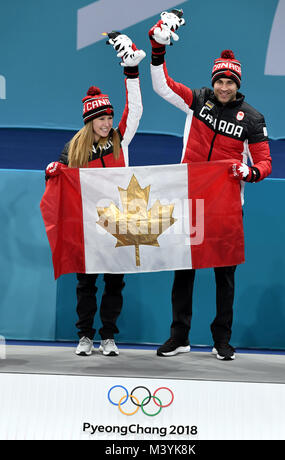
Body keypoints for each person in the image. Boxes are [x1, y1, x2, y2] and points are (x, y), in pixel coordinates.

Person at [149, 10, 272, 360]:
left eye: (229, 82)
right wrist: (158, 51)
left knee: (224, 276)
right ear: (213, 81)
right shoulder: (198, 100)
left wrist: (249, 173)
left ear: (238, 85)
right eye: (219, 80)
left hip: (226, 207)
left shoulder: (252, 118)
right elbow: (162, 85)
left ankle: (222, 340)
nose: (223, 86)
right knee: (183, 270)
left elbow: (264, 163)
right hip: (189, 200)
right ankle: (180, 336)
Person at [45, 33, 145, 357]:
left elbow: (137, 108)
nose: (107, 123)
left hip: (119, 223)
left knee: (115, 284)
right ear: (90, 121)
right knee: (86, 284)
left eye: (109, 117)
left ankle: (109, 337)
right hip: (87, 226)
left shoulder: (120, 139)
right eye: (101, 119)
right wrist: (51, 171)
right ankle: (85, 336)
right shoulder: (73, 148)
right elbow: (58, 176)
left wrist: (132, 72)